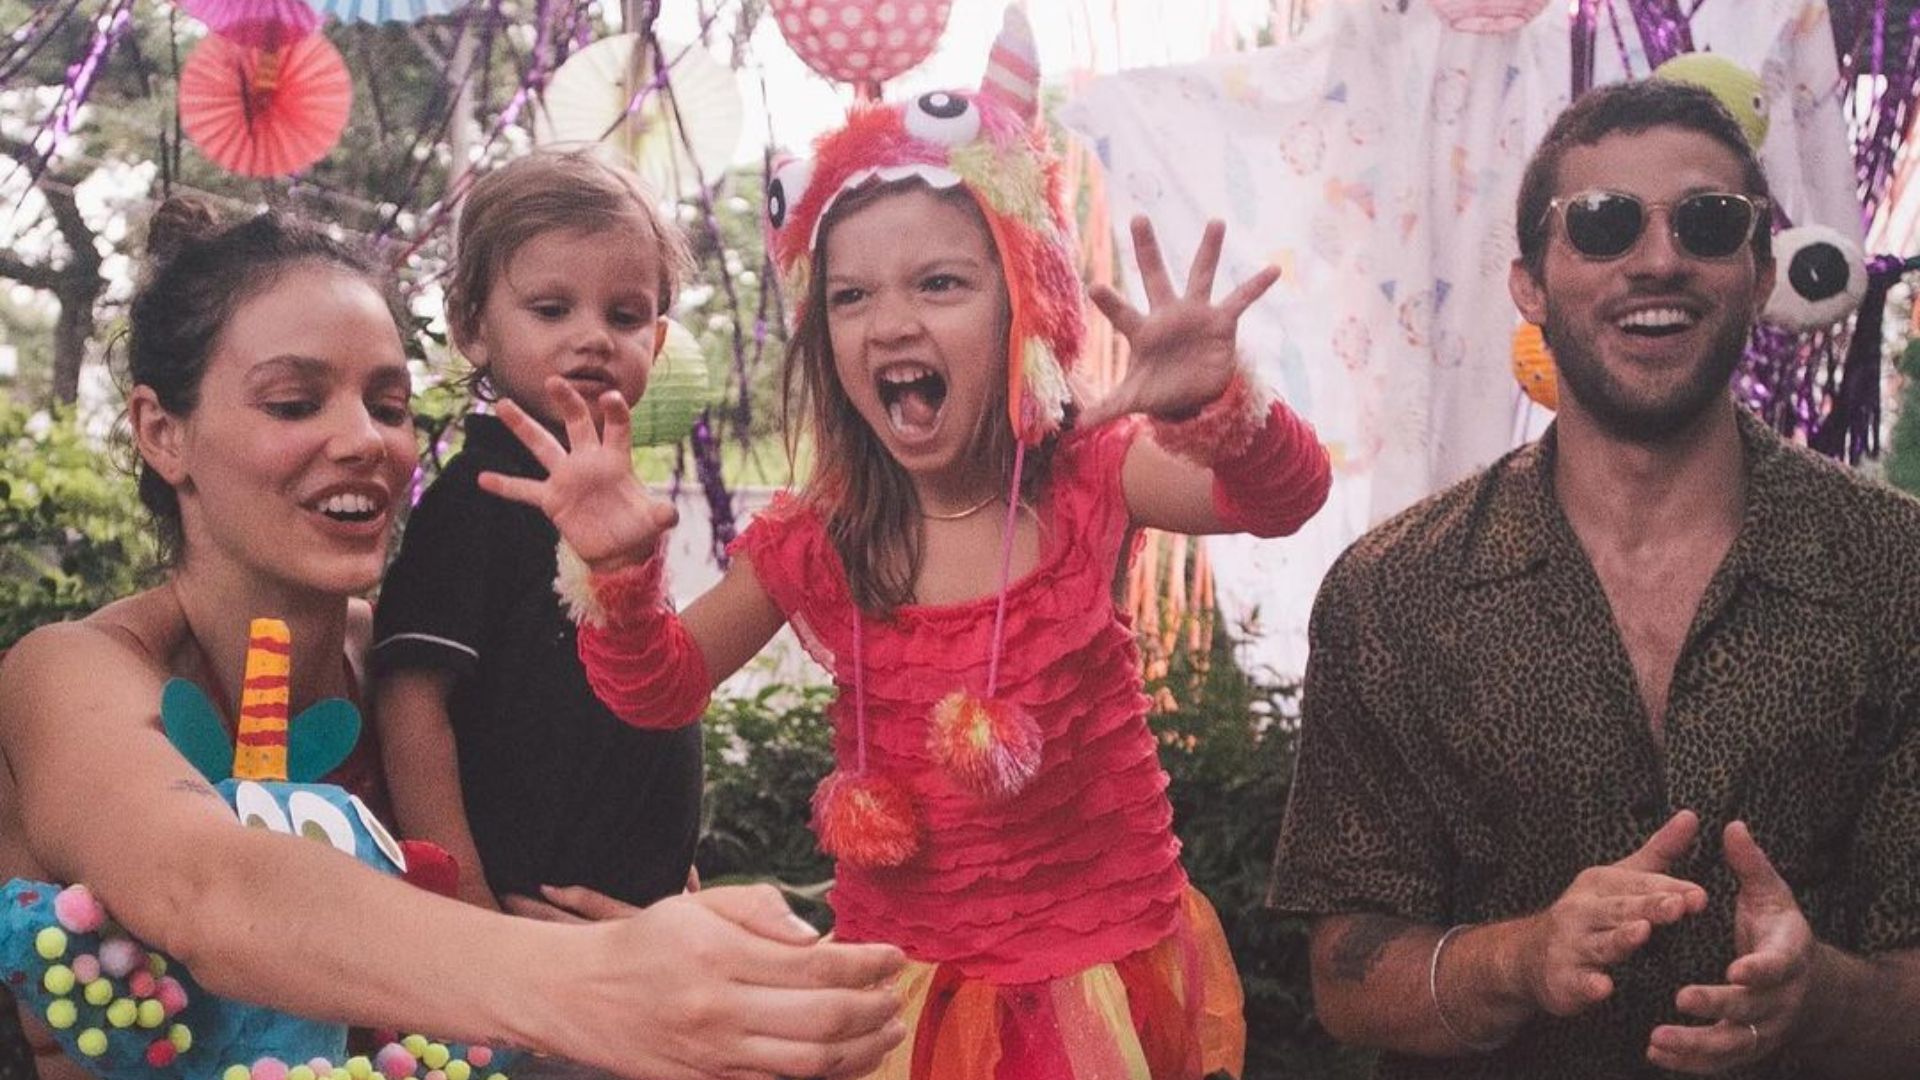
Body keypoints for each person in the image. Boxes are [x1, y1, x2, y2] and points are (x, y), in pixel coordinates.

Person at [477, 14, 1332, 1076]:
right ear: (823, 342)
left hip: (1104, 975)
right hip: (912, 996)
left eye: (940, 284)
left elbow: (1283, 498)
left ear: (1025, 308)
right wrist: (614, 573)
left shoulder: (1088, 477)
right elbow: (662, 690)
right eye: (851, 297)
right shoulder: (816, 539)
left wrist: (1219, 408)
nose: (890, 325)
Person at [0, 197, 905, 1080]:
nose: (364, 440)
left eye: (389, 405)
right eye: (292, 402)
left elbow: (588, 792)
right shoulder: (74, 674)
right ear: (163, 432)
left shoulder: (412, 666)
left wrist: (658, 918)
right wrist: (594, 984)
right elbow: (209, 888)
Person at [1268, 79, 1920, 1079]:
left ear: (1754, 271)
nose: (1659, 259)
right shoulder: (1396, 595)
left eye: (1709, 222)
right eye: (1604, 224)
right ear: (1529, 281)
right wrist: (1519, 960)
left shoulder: (1895, 573)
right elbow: (1347, 979)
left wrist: (1823, 998)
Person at [372, 151, 703, 917]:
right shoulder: (480, 497)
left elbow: (644, 712)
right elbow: (411, 701)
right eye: (552, 310)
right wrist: (468, 903)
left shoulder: (625, 508)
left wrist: (676, 863)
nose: (592, 338)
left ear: (654, 342)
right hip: (527, 919)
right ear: (472, 328)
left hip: (634, 920)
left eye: (622, 317)